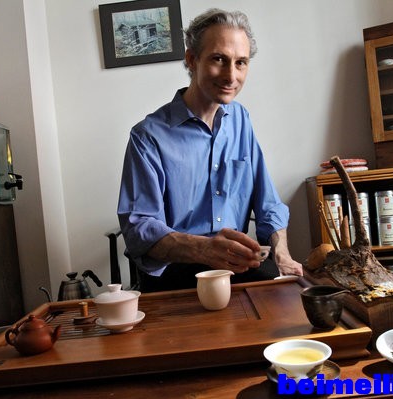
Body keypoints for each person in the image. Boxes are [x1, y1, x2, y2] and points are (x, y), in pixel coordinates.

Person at [117, 8, 303, 292]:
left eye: (241, 63)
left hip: (235, 266)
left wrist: (281, 253)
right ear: (192, 59)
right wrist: (204, 249)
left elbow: (269, 204)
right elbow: (138, 227)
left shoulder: (241, 120)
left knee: (291, 301)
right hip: (174, 274)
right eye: (219, 59)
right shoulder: (147, 136)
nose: (231, 76)